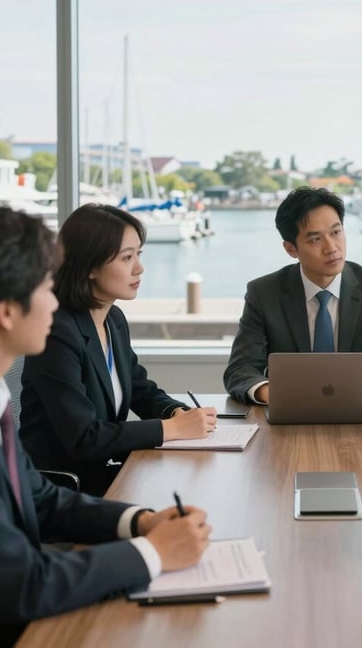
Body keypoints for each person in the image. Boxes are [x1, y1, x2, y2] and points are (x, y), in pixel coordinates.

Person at [0, 204, 211, 647]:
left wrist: (141, 521)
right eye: (44, 287)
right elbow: (23, 584)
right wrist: (153, 553)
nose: (55, 300)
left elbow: (41, 498)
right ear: (7, 312)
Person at [20, 204, 217, 495]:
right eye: (127, 258)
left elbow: (140, 390)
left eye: (139, 254)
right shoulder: (57, 331)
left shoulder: (113, 318)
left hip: (107, 472)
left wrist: (176, 412)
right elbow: (84, 437)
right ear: (89, 266)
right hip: (65, 489)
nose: (139, 268)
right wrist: (172, 429)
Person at [224, 186, 362, 405]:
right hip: (290, 413)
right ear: (291, 249)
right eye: (315, 239)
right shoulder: (264, 293)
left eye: (336, 232)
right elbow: (240, 369)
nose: (332, 248)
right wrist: (274, 395)